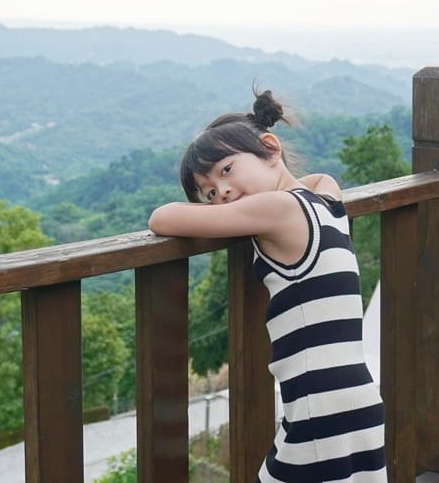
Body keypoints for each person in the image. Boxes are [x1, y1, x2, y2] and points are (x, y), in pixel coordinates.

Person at [148, 89, 386, 483]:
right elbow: (317, 178)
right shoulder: (326, 198)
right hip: (358, 397)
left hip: (317, 406)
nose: (222, 192)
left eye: (226, 170)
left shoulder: (276, 209)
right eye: (209, 193)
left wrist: (226, 201)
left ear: (271, 148)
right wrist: (269, 170)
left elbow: (162, 218)